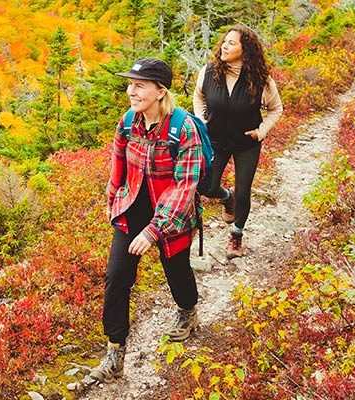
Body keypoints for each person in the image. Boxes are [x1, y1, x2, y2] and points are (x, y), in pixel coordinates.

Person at [85, 58, 203, 384]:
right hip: (133, 207)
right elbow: (117, 163)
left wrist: (154, 230)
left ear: (160, 91)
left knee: (176, 270)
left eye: (139, 86)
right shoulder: (128, 121)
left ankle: (188, 311)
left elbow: (185, 186)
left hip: (172, 215)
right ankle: (114, 354)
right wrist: (113, 203)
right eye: (130, 85)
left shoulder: (184, 128)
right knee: (116, 276)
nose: (131, 92)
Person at [193, 25, 284, 258]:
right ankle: (227, 197)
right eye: (225, 41)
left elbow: (276, 109)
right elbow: (199, 96)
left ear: (246, 50)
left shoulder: (261, 80)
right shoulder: (209, 71)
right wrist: (202, 119)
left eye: (232, 43)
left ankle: (236, 234)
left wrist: (260, 132)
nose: (225, 45)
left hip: (246, 143)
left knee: (244, 192)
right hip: (216, 140)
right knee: (208, 187)